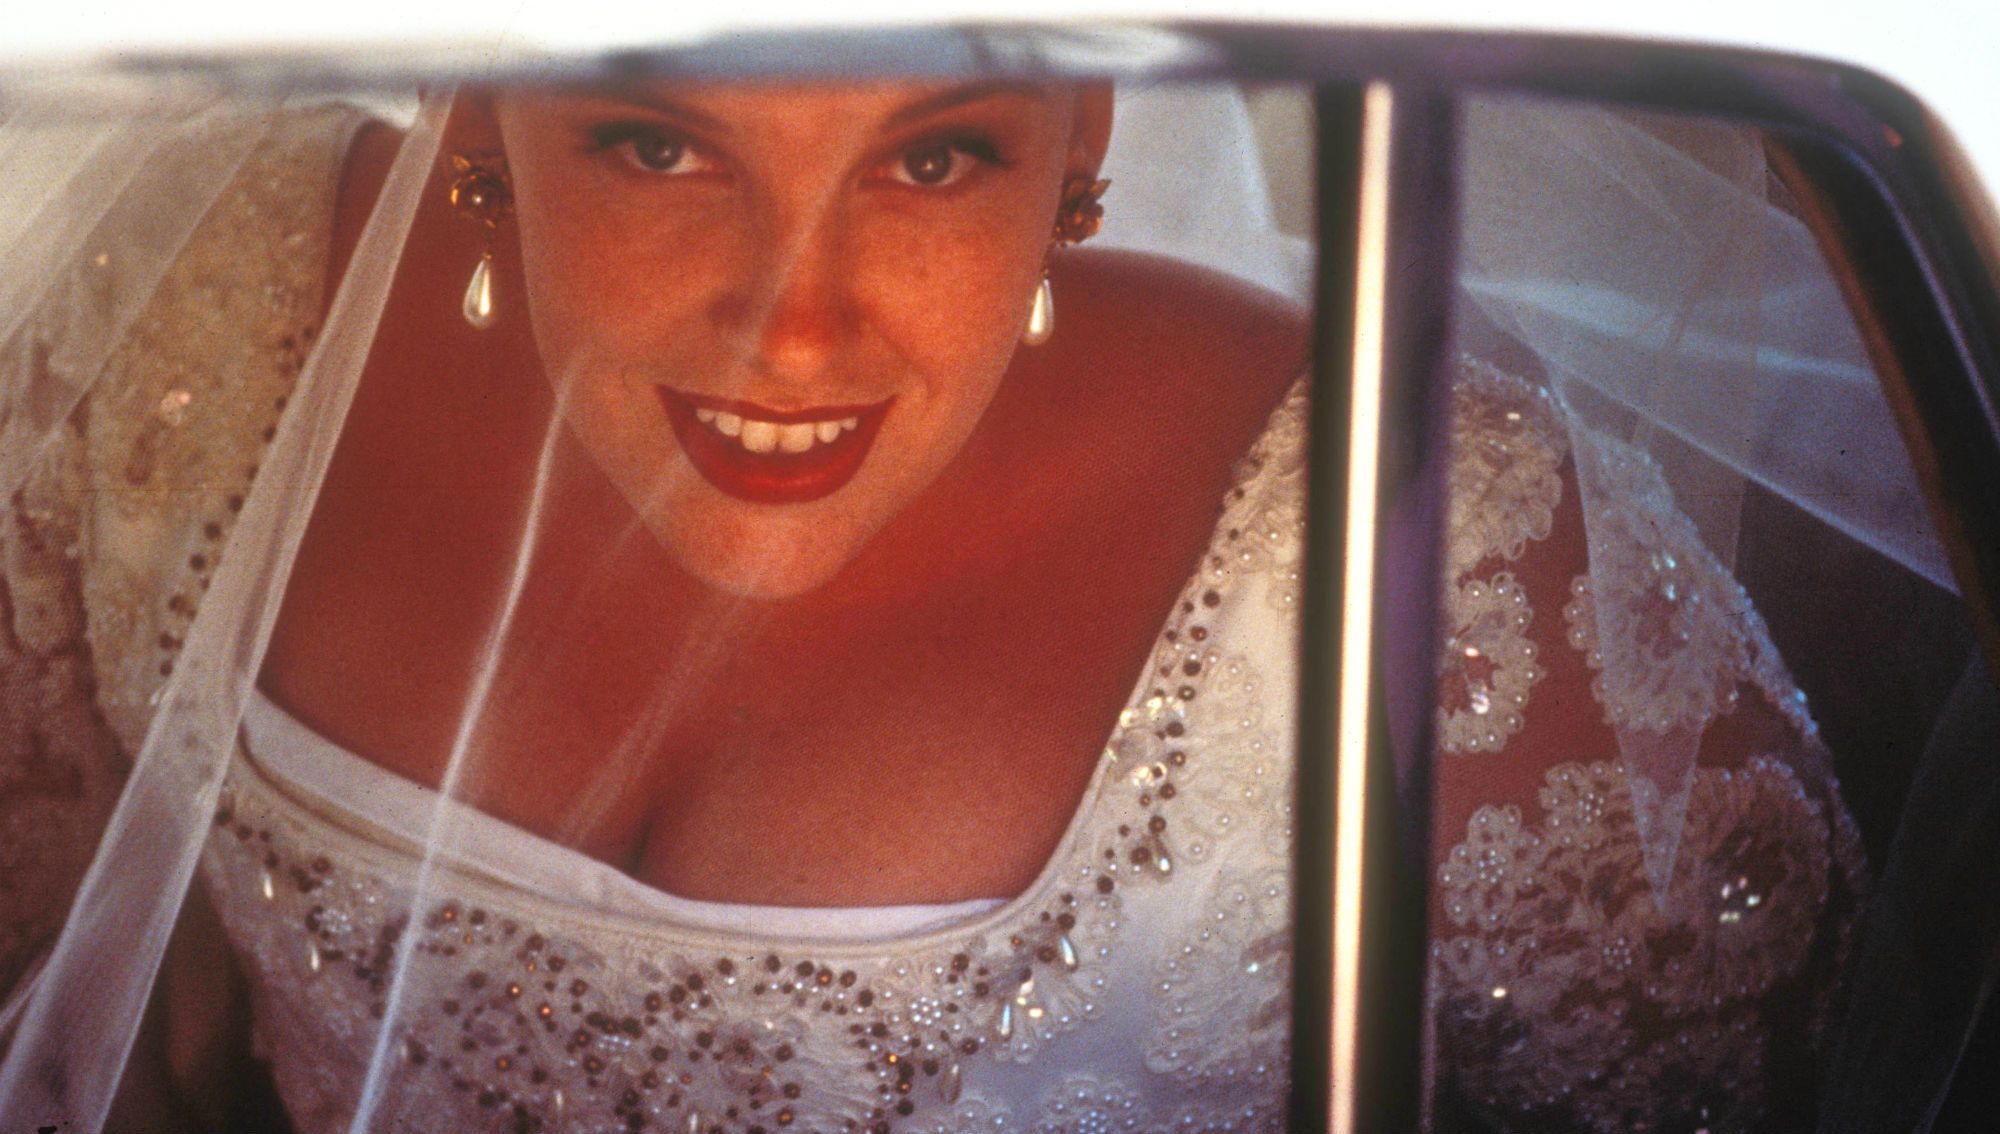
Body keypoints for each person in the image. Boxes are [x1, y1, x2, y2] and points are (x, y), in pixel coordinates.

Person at [0, 77, 1868, 1134]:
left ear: (1083, 140)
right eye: (659, 144)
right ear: (480, 94)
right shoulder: (204, 306)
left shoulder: (1437, 562)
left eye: (933, 154)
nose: (795, 327)